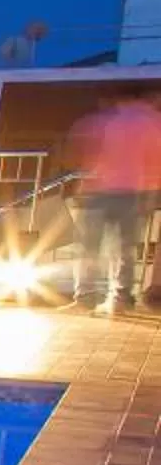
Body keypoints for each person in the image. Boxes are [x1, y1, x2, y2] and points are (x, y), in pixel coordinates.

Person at [69, 95, 161, 313]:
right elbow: (156, 161)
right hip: (132, 192)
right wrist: (149, 194)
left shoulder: (102, 119)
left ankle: (84, 297)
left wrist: (82, 183)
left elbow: (84, 151)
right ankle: (120, 298)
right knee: (124, 248)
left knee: (88, 247)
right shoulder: (152, 121)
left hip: (97, 190)